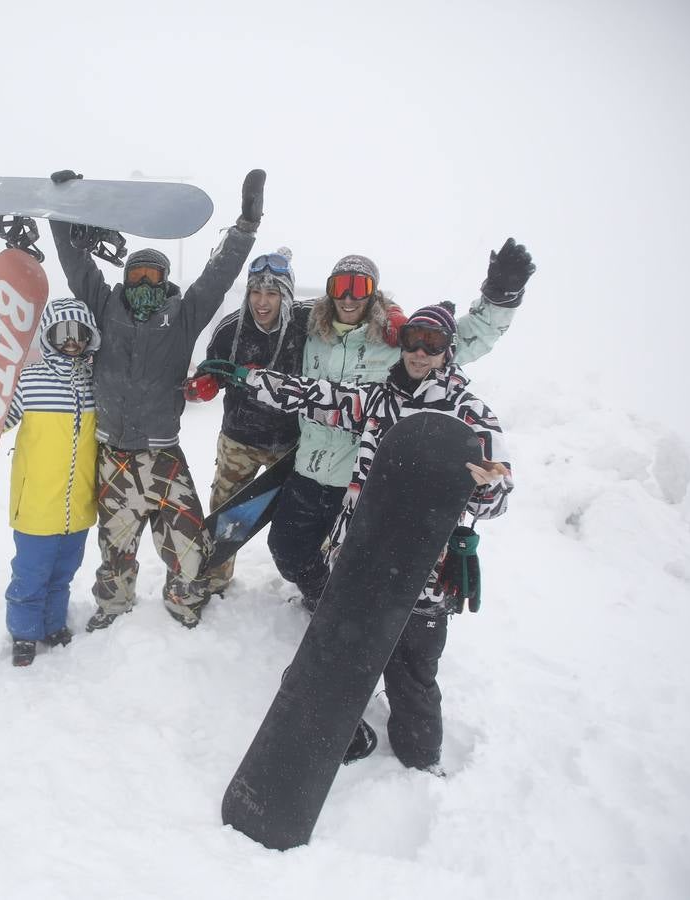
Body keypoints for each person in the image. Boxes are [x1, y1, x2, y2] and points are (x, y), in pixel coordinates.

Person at [199, 302, 514, 774]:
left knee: (412, 675)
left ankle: (420, 765)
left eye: (433, 344)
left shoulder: (467, 413)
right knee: (329, 660)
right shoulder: (376, 400)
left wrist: (489, 487)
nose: (421, 353)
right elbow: (311, 395)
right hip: (358, 558)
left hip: (421, 573)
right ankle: (342, 732)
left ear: (447, 351)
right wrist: (250, 378)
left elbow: (496, 497)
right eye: (414, 340)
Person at [47, 168, 265, 630]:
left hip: (163, 454)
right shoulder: (105, 306)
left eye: (154, 275)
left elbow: (218, 276)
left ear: (165, 280)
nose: (144, 282)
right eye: (137, 274)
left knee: (189, 545)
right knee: (114, 547)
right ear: (125, 279)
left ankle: (183, 602)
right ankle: (112, 606)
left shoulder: (183, 316)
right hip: (114, 456)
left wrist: (245, 229)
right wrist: (60, 214)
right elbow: (75, 265)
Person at [266, 239, 533, 611]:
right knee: (286, 550)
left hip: (361, 478)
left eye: (359, 288)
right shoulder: (310, 333)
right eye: (340, 286)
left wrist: (499, 298)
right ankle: (321, 595)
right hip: (309, 466)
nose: (348, 297)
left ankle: (336, 606)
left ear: (373, 294)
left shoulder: (400, 341)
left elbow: (468, 336)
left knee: (349, 559)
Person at [0, 298, 101, 666]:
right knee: (30, 574)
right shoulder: (30, 380)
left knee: (63, 574)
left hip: (79, 506)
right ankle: (24, 633)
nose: (71, 341)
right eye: (63, 332)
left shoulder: (94, 383)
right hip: (37, 503)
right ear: (49, 336)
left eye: (79, 333)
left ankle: (54, 624)